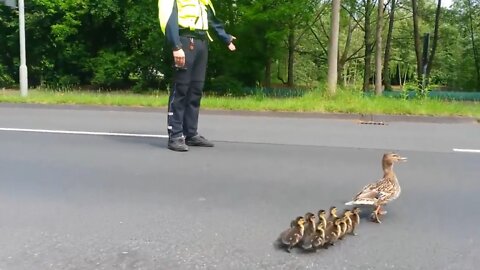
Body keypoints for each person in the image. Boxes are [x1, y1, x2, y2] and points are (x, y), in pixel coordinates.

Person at [158, 0, 236, 151]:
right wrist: (176, 46)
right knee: (181, 89)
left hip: (201, 42)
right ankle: (175, 136)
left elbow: (210, 18)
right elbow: (169, 18)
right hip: (185, 41)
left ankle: (190, 134)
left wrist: (225, 37)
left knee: (195, 90)